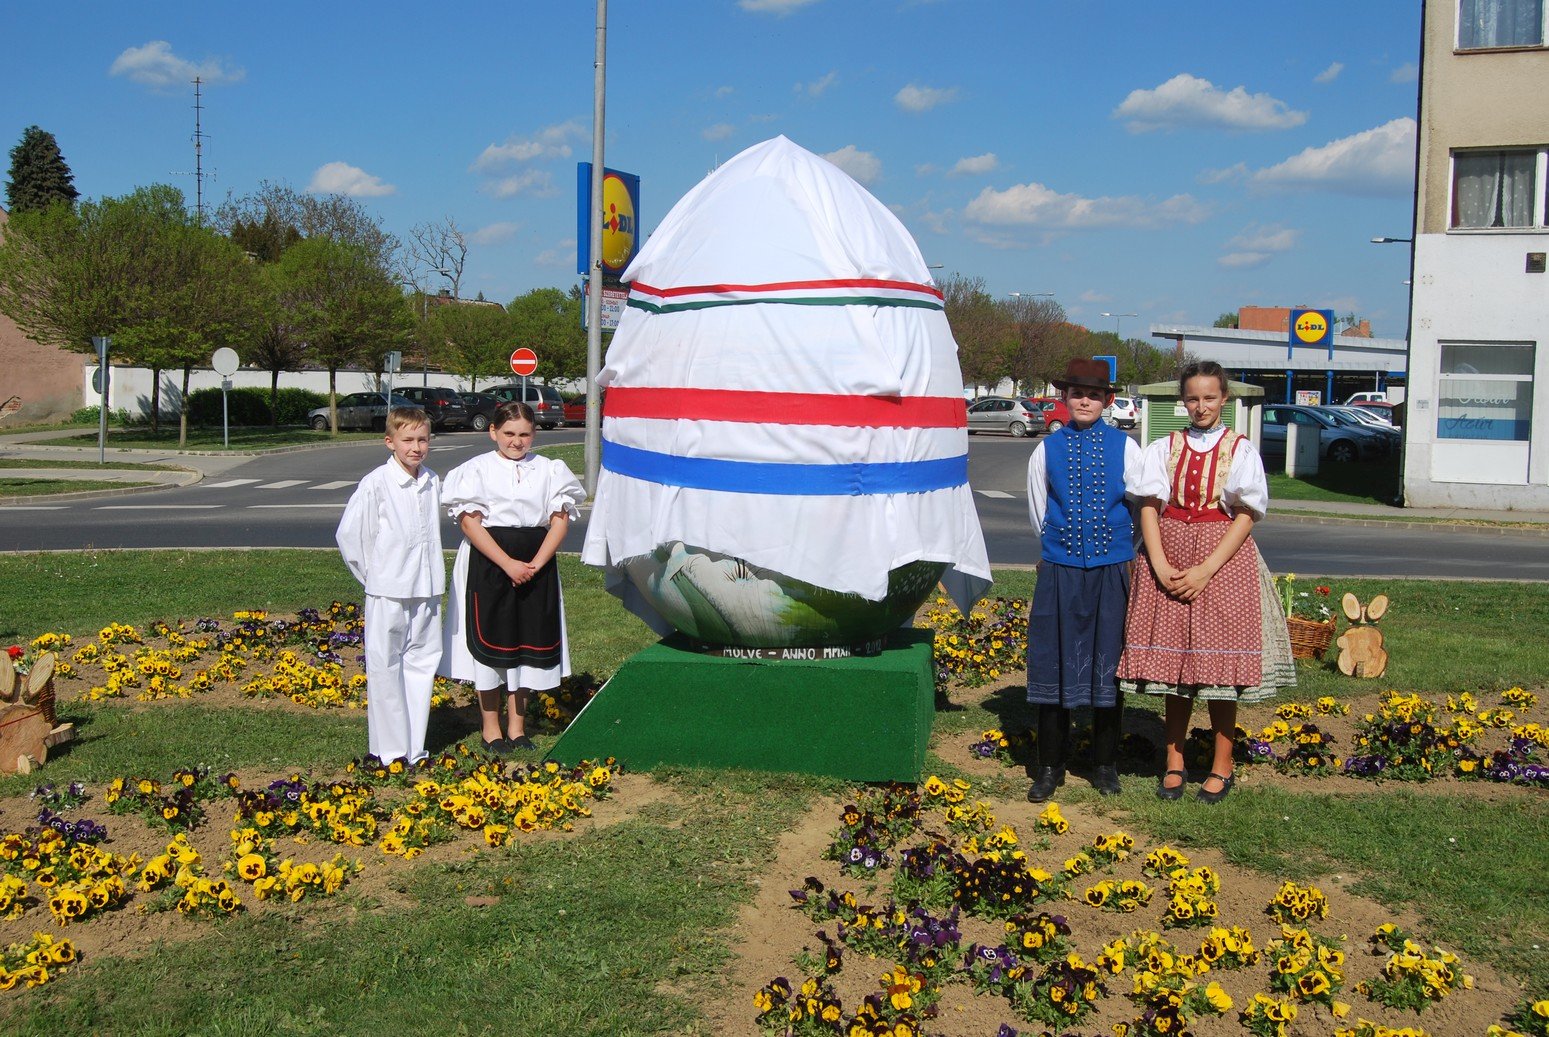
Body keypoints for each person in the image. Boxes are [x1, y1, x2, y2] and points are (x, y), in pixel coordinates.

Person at [1116, 361, 1294, 803]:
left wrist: (1207, 569)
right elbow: (1149, 505)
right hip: (1170, 553)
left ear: (1224, 399)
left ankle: (1221, 765)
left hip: (1222, 561)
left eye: (1209, 397)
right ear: (1183, 401)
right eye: (1193, 398)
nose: (1201, 406)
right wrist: (1158, 563)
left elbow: (1246, 515)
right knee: (1177, 667)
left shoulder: (1241, 450)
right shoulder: (1164, 446)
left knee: (1219, 669)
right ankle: (1174, 762)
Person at [1024, 358, 1143, 802]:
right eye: (1077, 394)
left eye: (1094, 395)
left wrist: (1120, 547)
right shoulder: (1046, 449)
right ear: (1066, 398)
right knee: (1053, 663)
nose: (1085, 401)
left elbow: (1141, 506)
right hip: (1060, 569)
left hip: (1111, 570)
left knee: (1108, 663)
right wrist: (1059, 548)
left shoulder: (1127, 447)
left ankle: (1105, 764)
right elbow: (1039, 509)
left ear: (1108, 400)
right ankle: (1050, 766)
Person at [440, 401, 585, 752]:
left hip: (536, 562)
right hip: (488, 560)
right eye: (508, 433)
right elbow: (469, 523)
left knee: (527, 642)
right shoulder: (475, 470)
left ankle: (517, 727)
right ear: (493, 432)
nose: (516, 441)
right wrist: (507, 564)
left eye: (524, 434)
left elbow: (560, 521)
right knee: (490, 641)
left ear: (533, 434)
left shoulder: (550, 469)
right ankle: (491, 728)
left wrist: (535, 564)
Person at [336, 406, 445, 764]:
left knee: (421, 665)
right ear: (390, 442)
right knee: (386, 668)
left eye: (422, 440)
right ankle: (389, 751)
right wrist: (376, 577)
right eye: (408, 440)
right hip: (388, 590)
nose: (416, 447)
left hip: (426, 588)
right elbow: (353, 536)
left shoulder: (431, 481)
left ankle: (414, 749)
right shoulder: (377, 483)